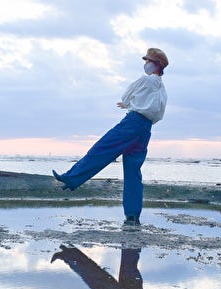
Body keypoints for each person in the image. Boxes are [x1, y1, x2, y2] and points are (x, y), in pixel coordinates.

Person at [53, 48, 169, 227]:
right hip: (146, 130)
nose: (145, 64)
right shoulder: (162, 89)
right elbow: (157, 113)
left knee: (102, 149)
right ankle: (132, 216)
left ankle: (71, 177)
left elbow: (127, 95)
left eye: (148, 61)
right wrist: (133, 106)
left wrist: (129, 105)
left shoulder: (145, 80)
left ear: (156, 65)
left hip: (133, 123)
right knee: (133, 173)